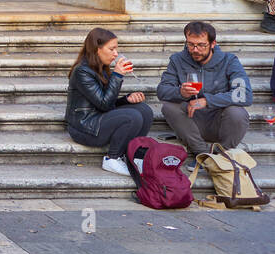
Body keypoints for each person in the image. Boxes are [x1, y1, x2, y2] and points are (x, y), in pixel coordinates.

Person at [157, 20, 252, 168]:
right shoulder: (177, 60)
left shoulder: (229, 61)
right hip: (191, 123)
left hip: (220, 123)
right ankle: (202, 154)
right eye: (190, 44)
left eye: (201, 45)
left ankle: (222, 155)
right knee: (169, 107)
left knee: (238, 113)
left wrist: (207, 100)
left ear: (213, 44)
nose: (195, 49)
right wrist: (180, 92)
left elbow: (244, 94)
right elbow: (162, 90)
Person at [64, 27, 153, 176]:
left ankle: (132, 154)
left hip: (98, 118)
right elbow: (104, 105)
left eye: (116, 49)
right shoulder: (82, 72)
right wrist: (117, 76)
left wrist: (126, 100)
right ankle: (113, 158)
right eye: (111, 49)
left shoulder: (101, 68)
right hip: (84, 127)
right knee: (132, 117)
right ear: (96, 49)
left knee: (144, 110)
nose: (116, 54)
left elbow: (106, 103)